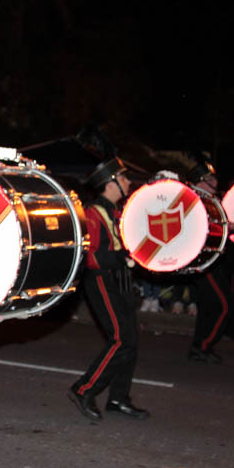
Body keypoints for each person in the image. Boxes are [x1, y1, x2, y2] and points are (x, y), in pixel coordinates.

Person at [69, 157, 149, 422]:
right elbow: (92, 257)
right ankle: (84, 389)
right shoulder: (93, 212)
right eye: (123, 178)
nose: (128, 182)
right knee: (121, 339)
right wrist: (125, 258)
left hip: (119, 280)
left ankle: (118, 398)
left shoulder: (117, 212)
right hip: (101, 280)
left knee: (131, 342)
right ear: (110, 183)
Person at [186, 161, 234, 363]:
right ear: (201, 181)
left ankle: (199, 346)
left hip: (209, 259)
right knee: (224, 306)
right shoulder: (196, 200)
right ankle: (203, 345)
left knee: (208, 306)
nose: (215, 181)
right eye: (211, 178)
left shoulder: (208, 199)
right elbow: (200, 228)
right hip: (204, 261)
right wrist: (226, 227)